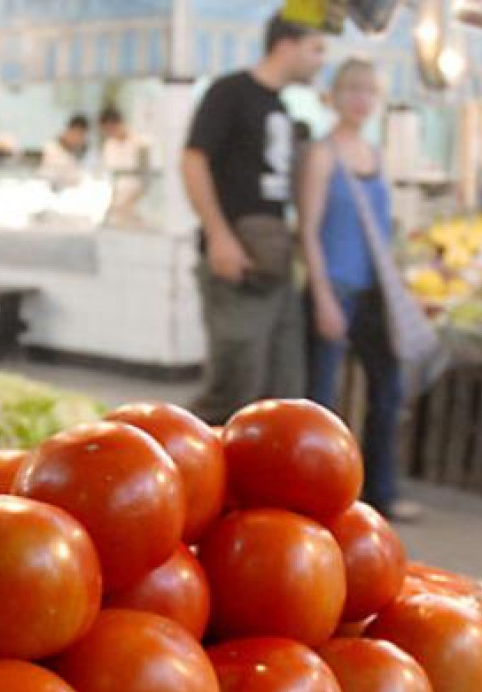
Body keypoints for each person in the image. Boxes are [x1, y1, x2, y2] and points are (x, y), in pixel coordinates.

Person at [181, 14, 326, 424]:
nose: (320, 61)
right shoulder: (230, 92)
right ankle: (188, 471)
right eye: (316, 49)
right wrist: (219, 237)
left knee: (282, 391)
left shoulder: (281, 106)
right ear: (286, 45)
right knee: (232, 387)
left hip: (276, 263)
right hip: (236, 260)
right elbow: (193, 161)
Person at [299, 57, 418, 521]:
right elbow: (308, 230)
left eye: (369, 91)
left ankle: (380, 493)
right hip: (335, 288)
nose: (361, 100)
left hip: (373, 292)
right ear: (335, 95)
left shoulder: (377, 155)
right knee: (322, 402)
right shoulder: (322, 154)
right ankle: (318, 499)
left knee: (388, 389)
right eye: (352, 90)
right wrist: (322, 295)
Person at [99, 106, 156, 224]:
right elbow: (113, 179)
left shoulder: (142, 143)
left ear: (118, 124)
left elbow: (147, 180)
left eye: (109, 129)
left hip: (139, 203)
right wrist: (112, 205)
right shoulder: (109, 145)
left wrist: (130, 203)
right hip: (118, 205)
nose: (108, 133)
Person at [40, 114, 91, 188]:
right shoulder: (51, 148)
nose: (78, 139)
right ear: (68, 131)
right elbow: (58, 177)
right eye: (76, 133)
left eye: (82, 136)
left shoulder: (76, 152)